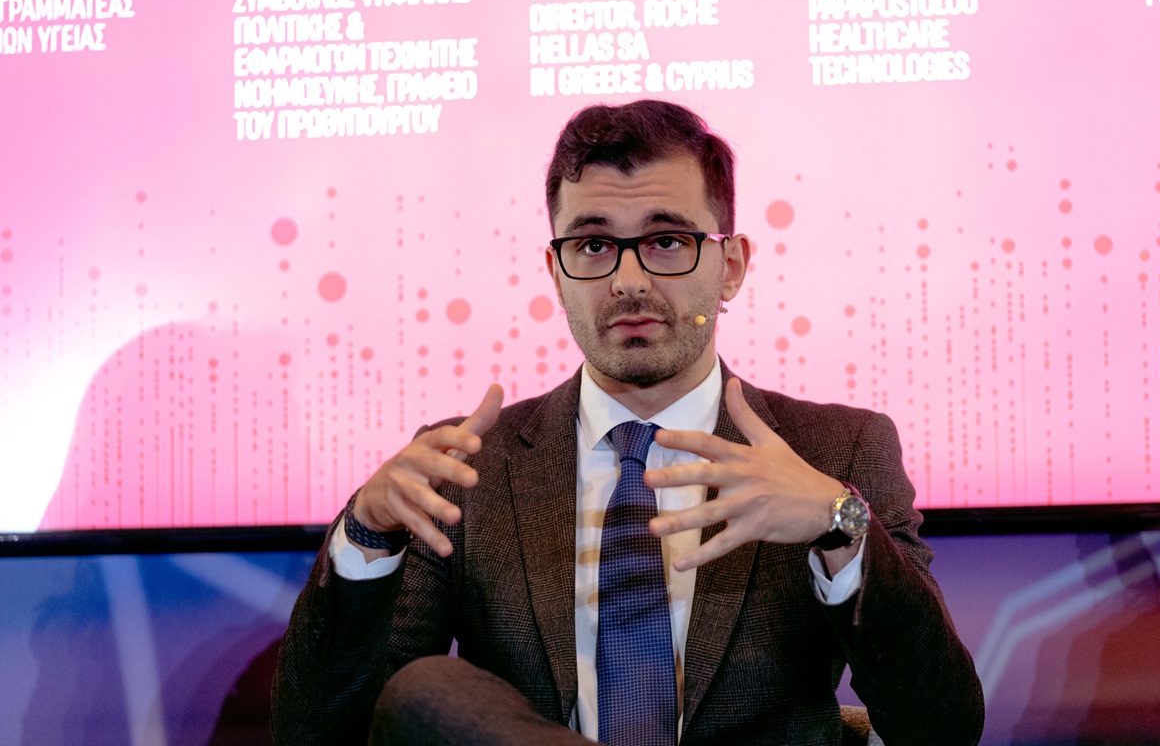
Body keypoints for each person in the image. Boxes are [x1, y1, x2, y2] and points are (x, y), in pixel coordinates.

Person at [272, 100, 985, 746]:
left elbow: (941, 728)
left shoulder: (837, 451)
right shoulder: (467, 467)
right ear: (556, 273)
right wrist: (366, 534)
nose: (629, 280)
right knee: (428, 694)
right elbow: (320, 733)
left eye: (667, 240)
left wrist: (839, 522)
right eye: (593, 246)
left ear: (731, 265)